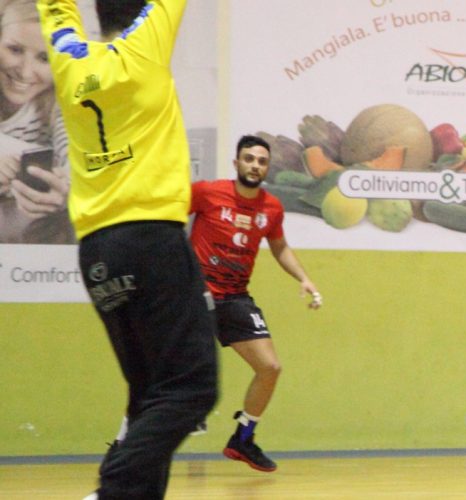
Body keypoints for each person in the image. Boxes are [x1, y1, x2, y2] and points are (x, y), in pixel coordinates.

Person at [39, 1, 219, 498]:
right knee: (191, 389)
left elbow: (55, 12)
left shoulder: (69, 61)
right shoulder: (142, 50)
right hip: (151, 241)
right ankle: (110, 488)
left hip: (97, 250)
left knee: (150, 397)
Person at [189, 134, 322, 472]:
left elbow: (279, 247)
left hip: (235, 298)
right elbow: (167, 218)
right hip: (196, 295)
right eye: (249, 159)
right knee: (171, 375)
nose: (255, 165)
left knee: (270, 368)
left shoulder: (271, 208)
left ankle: (243, 440)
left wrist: (303, 278)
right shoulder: (206, 192)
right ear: (236, 163)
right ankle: (125, 444)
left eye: (261, 161)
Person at [0, 0, 71, 243]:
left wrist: (62, 188)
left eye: (44, 58)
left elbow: (74, 155)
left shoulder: (60, 105)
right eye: (15, 50)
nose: (25, 72)